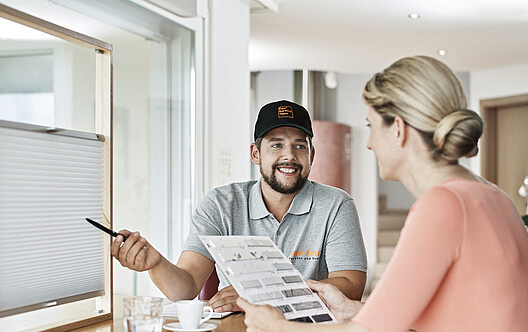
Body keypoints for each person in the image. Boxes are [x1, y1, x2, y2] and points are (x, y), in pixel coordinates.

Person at [237, 57, 528, 332]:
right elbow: (464, 312)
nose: (368, 144)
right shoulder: (491, 195)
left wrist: (277, 329)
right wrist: (354, 309)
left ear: (397, 128)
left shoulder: (442, 207)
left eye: (371, 126)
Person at [111, 100, 367, 312]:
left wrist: (261, 294)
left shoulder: (337, 205)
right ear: (255, 153)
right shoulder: (220, 205)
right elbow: (185, 288)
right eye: (276, 144)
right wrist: (155, 264)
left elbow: (351, 286)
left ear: (311, 155)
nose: (289, 155)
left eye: (299, 146)